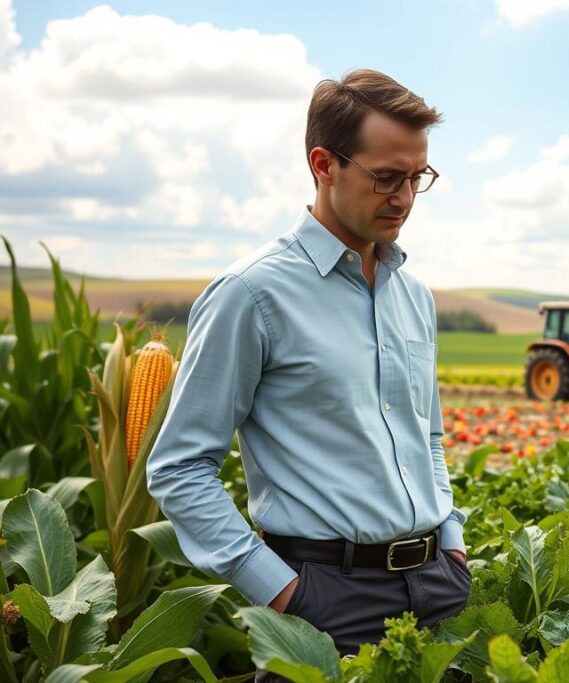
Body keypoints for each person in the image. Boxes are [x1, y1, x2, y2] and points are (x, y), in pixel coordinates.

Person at [145, 69, 470, 676]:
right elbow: (179, 467)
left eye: (416, 178)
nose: (403, 198)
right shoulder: (251, 294)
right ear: (324, 164)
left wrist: (451, 546)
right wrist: (285, 592)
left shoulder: (414, 296)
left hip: (438, 589)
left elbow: (426, 437)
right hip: (325, 600)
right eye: (385, 178)